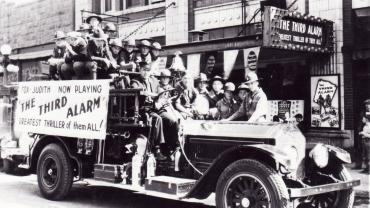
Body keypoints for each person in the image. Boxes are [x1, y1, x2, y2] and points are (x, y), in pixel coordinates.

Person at [131, 62, 167, 160]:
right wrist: (152, 94)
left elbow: (159, 89)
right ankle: (156, 149)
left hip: (153, 107)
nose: (146, 73)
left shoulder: (153, 80)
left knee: (168, 118)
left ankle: (168, 147)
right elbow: (138, 90)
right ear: (140, 70)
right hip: (141, 109)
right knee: (157, 119)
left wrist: (160, 96)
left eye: (148, 70)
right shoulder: (135, 81)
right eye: (143, 70)